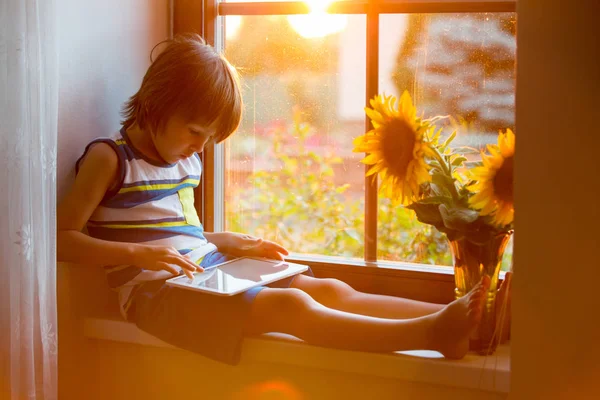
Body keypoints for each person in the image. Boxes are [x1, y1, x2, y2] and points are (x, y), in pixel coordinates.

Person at [57, 33, 502, 366]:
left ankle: (462, 320)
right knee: (290, 307)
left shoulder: (182, 161)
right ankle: (431, 332)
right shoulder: (109, 159)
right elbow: (62, 239)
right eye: (195, 131)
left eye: (211, 138)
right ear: (156, 102)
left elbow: (180, 235)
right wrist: (139, 254)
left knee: (327, 288)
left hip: (204, 273)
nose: (200, 146)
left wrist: (229, 242)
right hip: (155, 297)